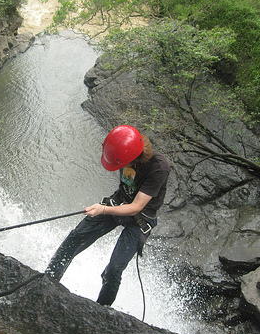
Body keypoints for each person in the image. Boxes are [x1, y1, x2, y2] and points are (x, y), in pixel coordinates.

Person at [45, 125, 170, 306]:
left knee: (114, 270)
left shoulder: (158, 168)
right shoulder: (123, 152)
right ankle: (47, 281)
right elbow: (126, 186)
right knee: (74, 239)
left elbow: (136, 207)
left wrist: (103, 209)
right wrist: (106, 209)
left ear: (134, 158)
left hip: (140, 219)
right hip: (119, 202)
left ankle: (101, 310)